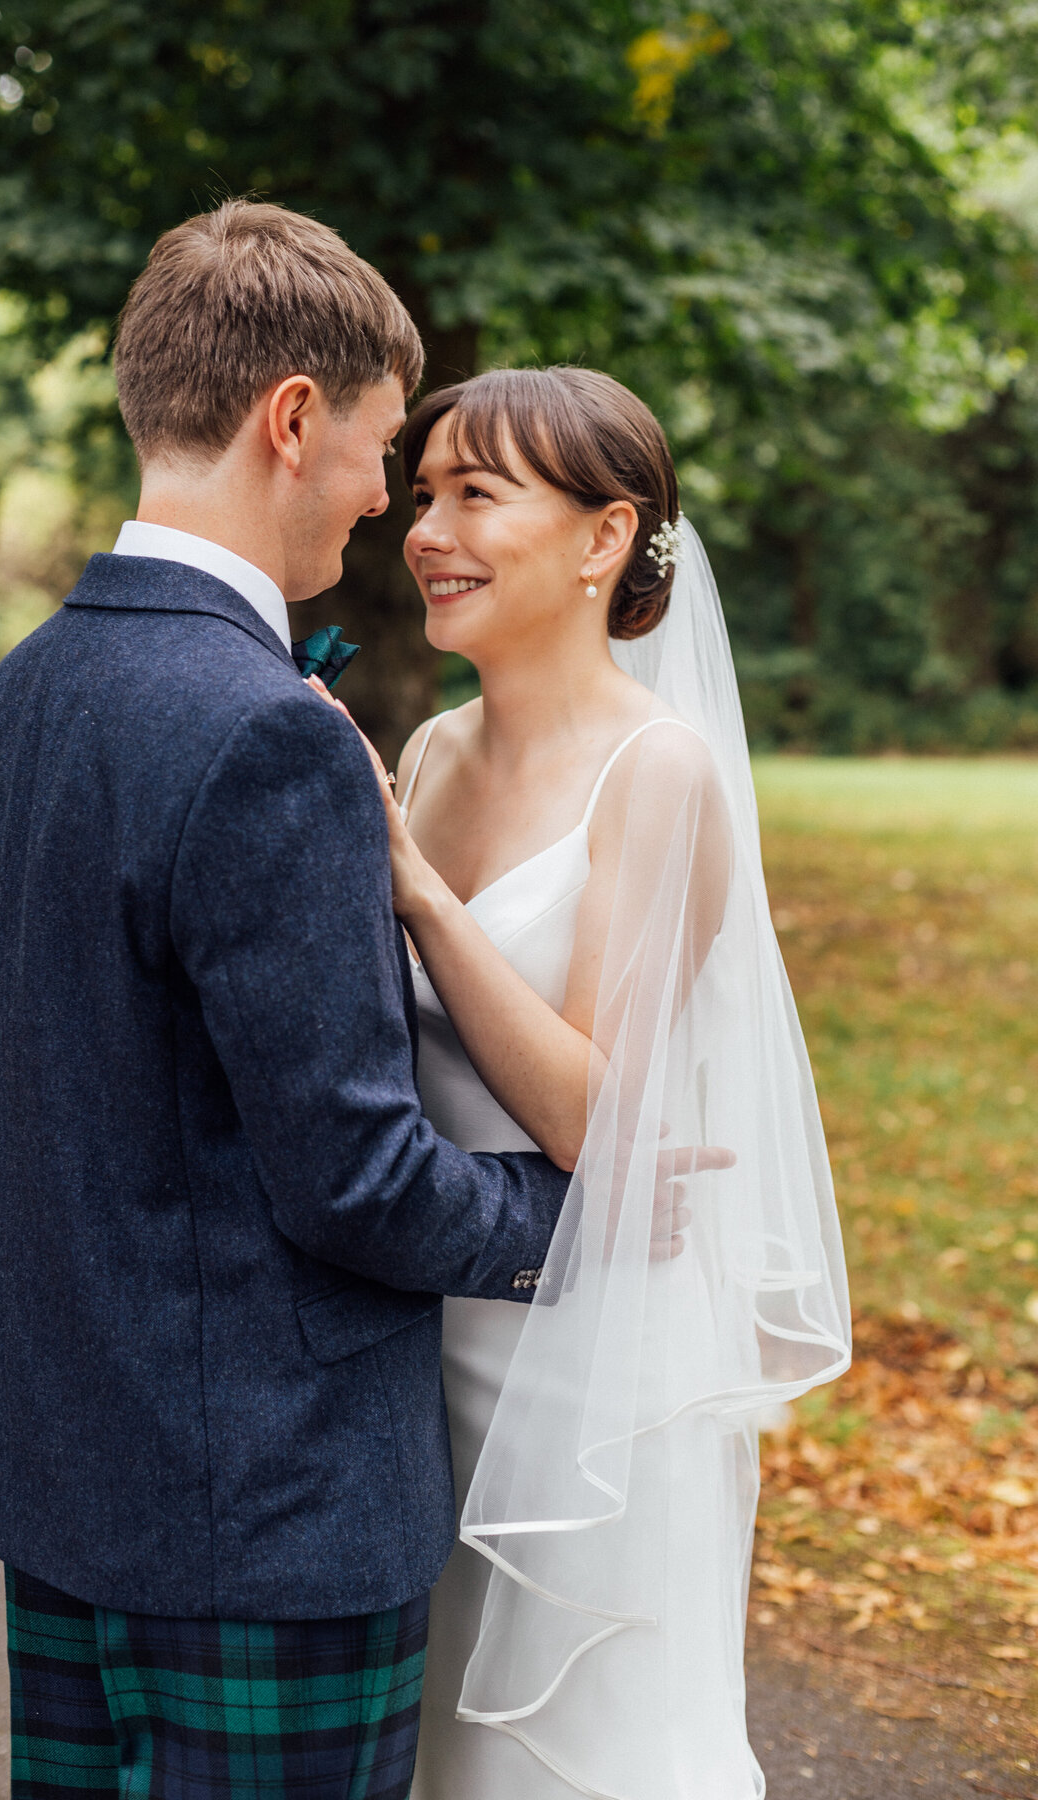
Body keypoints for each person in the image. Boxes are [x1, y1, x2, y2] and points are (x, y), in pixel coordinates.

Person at [0, 203, 592, 1800]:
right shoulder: (268, 733)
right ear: (291, 420)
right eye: (378, 448)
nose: (385, 500)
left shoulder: (12, 703)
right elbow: (353, 1179)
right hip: (264, 1513)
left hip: (68, 1478)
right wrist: (589, 1216)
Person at [320, 367, 851, 1799]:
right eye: (421, 493)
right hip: (424, 1334)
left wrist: (418, 894)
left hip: (591, 1361)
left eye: (477, 495)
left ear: (604, 538)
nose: (426, 529)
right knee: (438, 1750)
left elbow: (585, 1109)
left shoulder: (659, 773)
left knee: (577, 1755)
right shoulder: (431, 751)